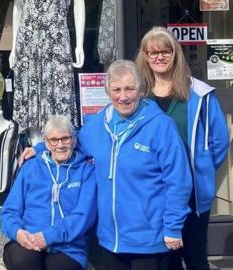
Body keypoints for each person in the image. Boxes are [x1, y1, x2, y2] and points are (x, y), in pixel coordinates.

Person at [21, 60, 193, 270]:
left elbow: (178, 180)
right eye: (116, 90)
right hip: (110, 239)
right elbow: (72, 142)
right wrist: (39, 149)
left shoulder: (161, 126)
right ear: (108, 92)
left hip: (149, 238)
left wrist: (173, 227)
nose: (123, 96)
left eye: (129, 89)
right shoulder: (98, 124)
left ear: (140, 89)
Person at [136, 26, 229, 270]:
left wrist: (201, 166)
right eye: (152, 52)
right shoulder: (137, 95)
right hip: (154, 192)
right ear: (145, 57)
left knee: (196, 256)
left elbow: (219, 142)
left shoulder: (199, 93)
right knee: (166, 259)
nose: (159, 57)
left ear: (175, 53)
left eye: (165, 51)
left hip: (192, 193)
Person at [0, 115, 96, 270]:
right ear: (45, 142)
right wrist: (17, 232)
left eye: (65, 139)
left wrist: (48, 237)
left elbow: (84, 216)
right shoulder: (30, 167)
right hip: (29, 239)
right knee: (23, 262)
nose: (60, 145)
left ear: (74, 140)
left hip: (68, 246)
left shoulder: (87, 171)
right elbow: (9, 211)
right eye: (54, 140)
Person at [9, 0, 85, 131]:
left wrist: (80, 44)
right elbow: (17, 7)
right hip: (28, 42)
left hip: (57, 40)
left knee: (60, 92)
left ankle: (60, 140)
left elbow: (79, 3)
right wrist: (14, 47)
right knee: (31, 98)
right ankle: (35, 145)